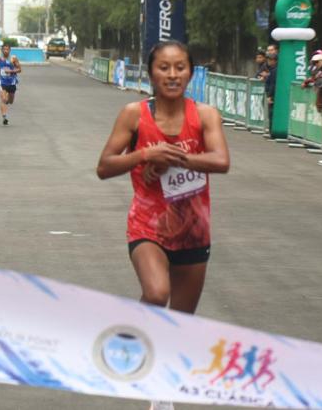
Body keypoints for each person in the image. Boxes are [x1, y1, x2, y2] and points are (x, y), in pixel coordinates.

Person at [96, 41, 230, 330]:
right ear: (150, 74)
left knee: (178, 325)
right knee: (157, 293)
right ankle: (128, 342)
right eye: (164, 68)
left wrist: (174, 158)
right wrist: (144, 154)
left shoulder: (206, 115)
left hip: (194, 232)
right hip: (148, 227)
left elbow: (221, 161)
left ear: (191, 73)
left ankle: (156, 365)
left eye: (180, 68)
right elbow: (104, 167)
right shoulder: (134, 114)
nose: (172, 75)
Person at [0, 43, 22, 125]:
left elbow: (19, 69)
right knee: (3, 99)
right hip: (2, 81)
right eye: (4, 49)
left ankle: (6, 102)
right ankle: (4, 117)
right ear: (2, 50)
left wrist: (11, 71)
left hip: (12, 82)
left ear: (10, 50)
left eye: (7, 49)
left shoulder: (13, 59)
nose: (5, 51)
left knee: (10, 101)